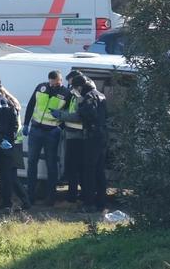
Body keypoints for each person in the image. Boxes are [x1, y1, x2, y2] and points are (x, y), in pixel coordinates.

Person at [56, 73, 108, 212]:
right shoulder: (100, 94)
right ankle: (101, 203)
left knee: (88, 171)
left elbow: (85, 114)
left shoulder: (89, 97)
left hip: (92, 136)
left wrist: (66, 114)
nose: (75, 91)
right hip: (102, 135)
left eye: (75, 88)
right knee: (99, 171)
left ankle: (89, 204)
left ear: (79, 86)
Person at [0, 76, 30, 212]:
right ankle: (6, 204)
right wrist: (8, 139)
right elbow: (15, 125)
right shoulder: (9, 103)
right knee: (6, 174)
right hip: (8, 144)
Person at [23, 70, 71, 207]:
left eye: (55, 83)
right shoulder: (41, 87)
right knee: (32, 162)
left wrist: (59, 127)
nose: (52, 85)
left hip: (51, 132)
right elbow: (31, 105)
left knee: (51, 165)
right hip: (36, 130)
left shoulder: (66, 93)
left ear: (60, 80)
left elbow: (68, 112)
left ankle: (51, 198)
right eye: (51, 82)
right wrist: (26, 123)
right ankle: (30, 196)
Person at [57, 71, 87, 204]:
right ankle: (74, 195)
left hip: (77, 135)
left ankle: (73, 196)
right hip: (72, 133)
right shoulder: (76, 94)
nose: (70, 88)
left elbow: (77, 115)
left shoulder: (81, 96)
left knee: (74, 167)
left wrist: (60, 115)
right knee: (73, 167)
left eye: (72, 85)